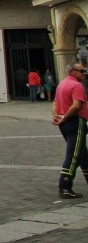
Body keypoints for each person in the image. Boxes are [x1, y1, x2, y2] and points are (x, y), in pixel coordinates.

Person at [53, 61, 88, 198]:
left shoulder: (62, 84)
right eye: (81, 71)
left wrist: (58, 116)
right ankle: (65, 186)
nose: (84, 73)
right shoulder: (76, 85)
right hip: (75, 121)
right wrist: (65, 116)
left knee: (83, 154)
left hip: (65, 123)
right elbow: (77, 106)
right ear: (72, 71)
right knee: (74, 155)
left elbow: (55, 103)